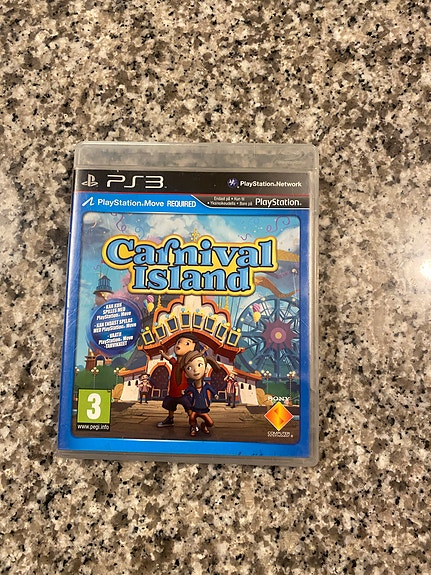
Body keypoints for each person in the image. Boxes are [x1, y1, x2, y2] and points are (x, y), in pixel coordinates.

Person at [156, 332, 207, 428]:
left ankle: (193, 423)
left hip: (184, 392)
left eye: (187, 343)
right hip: (173, 391)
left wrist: (203, 351)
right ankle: (170, 419)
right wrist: (163, 354)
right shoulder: (175, 362)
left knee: (188, 407)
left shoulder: (187, 364)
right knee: (171, 406)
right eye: (178, 342)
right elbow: (168, 358)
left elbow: (197, 358)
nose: (179, 345)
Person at [180, 349, 221, 436]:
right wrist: (184, 392)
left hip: (204, 409)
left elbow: (212, 390)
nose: (195, 370)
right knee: (191, 418)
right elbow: (187, 391)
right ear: (186, 374)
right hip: (195, 408)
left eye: (199, 365)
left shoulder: (206, 385)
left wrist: (215, 395)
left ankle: (203, 425)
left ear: (205, 369)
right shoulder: (192, 387)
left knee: (210, 423)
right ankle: (193, 427)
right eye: (189, 368)